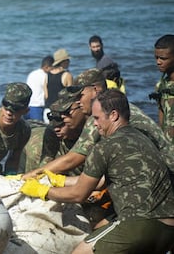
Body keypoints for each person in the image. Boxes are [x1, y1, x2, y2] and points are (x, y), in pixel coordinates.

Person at [20, 90, 174, 253]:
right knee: (97, 229)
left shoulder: (104, 147)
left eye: (97, 118)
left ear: (113, 115)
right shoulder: (145, 138)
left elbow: (78, 195)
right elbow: (102, 181)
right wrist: (59, 180)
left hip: (139, 225)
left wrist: (43, 191)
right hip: (169, 229)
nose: (94, 124)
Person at [23, 68, 174, 182]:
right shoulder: (120, 104)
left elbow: (73, 158)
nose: (78, 102)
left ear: (95, 90)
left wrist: (30, 176)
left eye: (81, 95)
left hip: (164, 173)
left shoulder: (102, 111)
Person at [151, 34, 174, 143]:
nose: (158, 62)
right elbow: (161, 115)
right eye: (156, 57)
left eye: (163, 58)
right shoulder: (161, 85)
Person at [43, 48, 73, 123]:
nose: (69, 62)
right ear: (63, 62)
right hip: (60, 111)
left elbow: (46, 96)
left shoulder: (47, 75)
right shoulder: (67, 75)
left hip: (47, 110)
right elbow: (71, 96)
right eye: (68, 60)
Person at [24, 55, 54, 121]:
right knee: (39, 128)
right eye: (52, 68)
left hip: (27, 106)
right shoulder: (45, 76)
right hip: (37, 107)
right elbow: (47, 94)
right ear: (47, 67)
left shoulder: (32, 74)